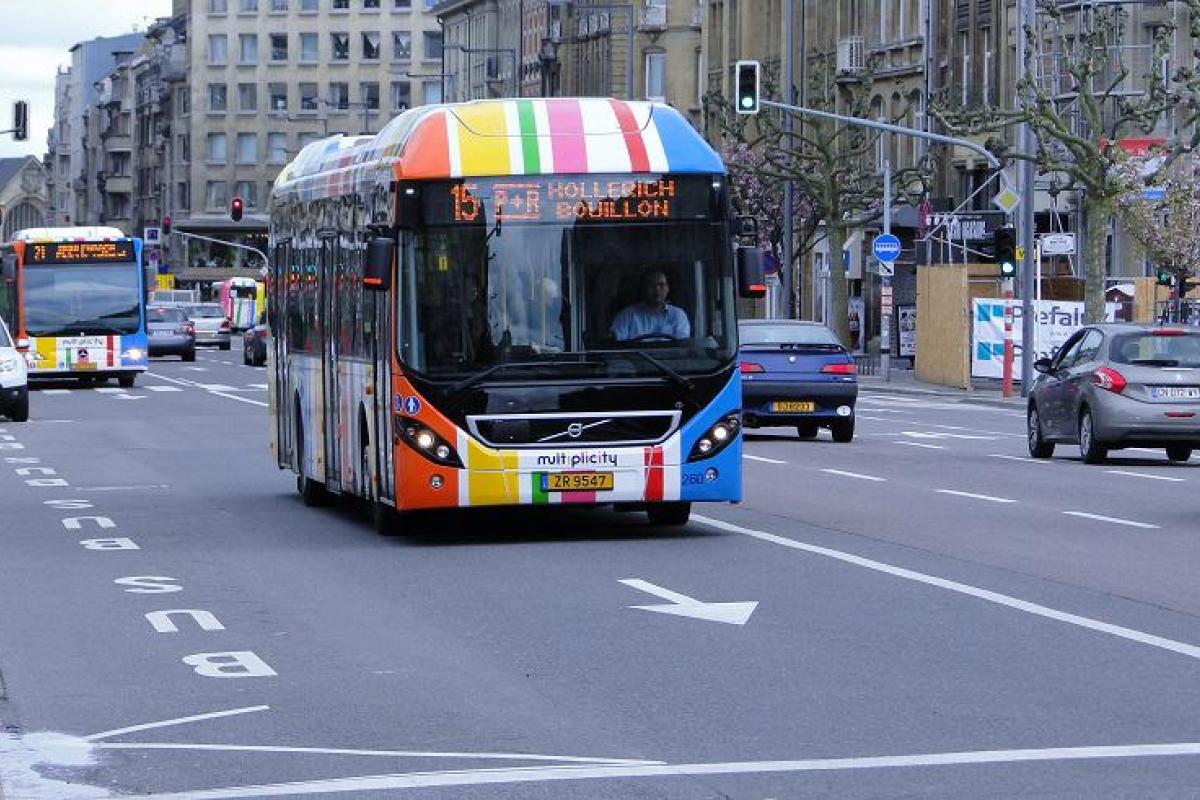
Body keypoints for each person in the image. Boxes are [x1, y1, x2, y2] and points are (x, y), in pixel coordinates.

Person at [610, 269, 690, 341]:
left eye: (661, 285)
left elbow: (682, 347)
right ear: (644, 288)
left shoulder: (678, 315)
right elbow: (615, 345)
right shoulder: (627, 316)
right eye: (651, 285)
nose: (657, 289)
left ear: (667, 289)